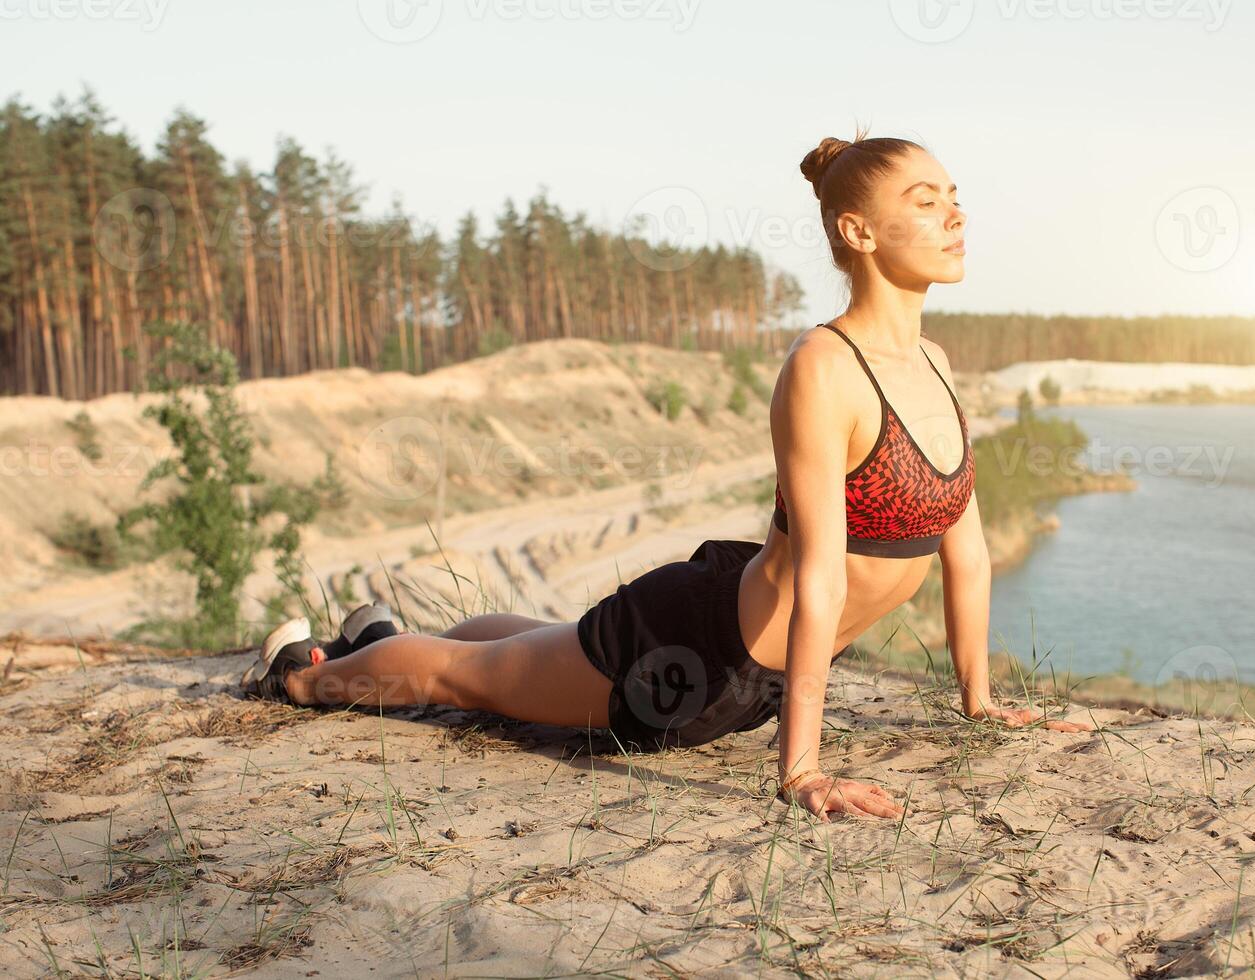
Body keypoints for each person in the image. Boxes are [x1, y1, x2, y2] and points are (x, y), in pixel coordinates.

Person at [241, 128, 1092, 823]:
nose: (955, 214)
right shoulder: (824, 369)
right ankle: (303, 672)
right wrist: (801, 773)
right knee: (472, 680)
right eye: (925, 200)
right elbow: (822, 580)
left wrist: (977, 699)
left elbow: (967, 554)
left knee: (529, 643)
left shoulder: (937, 365)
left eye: (954, 197)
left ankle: (371, 637)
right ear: (857, 232)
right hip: (694, 654)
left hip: (753, 662)